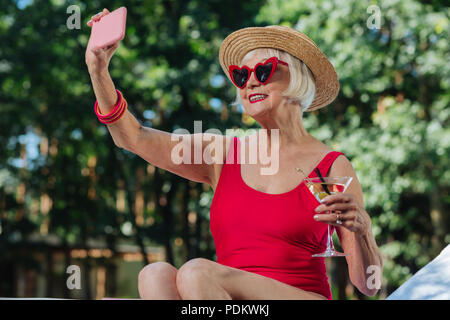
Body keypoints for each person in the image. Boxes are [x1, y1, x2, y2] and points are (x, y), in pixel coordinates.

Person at [86, 9, 383, 300]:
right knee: (154, 275)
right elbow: (134, 137)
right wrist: (97, 69)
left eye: (263, 70)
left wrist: (362, 230)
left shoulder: (330, 167)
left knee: (195, 273)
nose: (250, 82)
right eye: (241, 76)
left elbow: (368, 285)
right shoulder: (222, 155)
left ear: (297, 78)